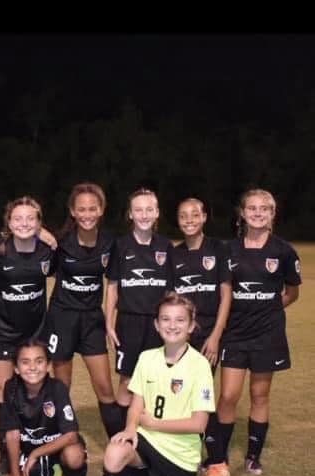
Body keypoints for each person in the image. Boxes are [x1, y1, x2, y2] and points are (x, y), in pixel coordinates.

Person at [93, 293, 214, 476]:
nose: (173, 325)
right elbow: (137, 403)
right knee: (115, 452)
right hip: (147, 442)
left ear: (192, 325)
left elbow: (199, 424)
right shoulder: (147, 358)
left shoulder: (200, 365)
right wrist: (130, 428)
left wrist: (155, 423)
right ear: (157, 325)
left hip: (179, 455)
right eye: (166, 319)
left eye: (180, 320)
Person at [202, 189, 301, 476]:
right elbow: (223, 293)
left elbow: (292, 293)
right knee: (229, 395)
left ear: (273, 214)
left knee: (259, 395)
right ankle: (218, 457)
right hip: (234, 334)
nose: (258, 213)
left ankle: (253, 456)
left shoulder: (283, 251)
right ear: (242, 213)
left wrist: (269, 308)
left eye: (264, 209)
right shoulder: (228, 249)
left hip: (267, 335)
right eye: (252, 208)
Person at [40, 183, 124, 441]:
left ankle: (120, 446)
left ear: (101, 210)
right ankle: (61, 448)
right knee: (62, 389)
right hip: (62, 318)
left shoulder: (110, 243)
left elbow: (113, 284)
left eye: (92, 208)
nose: (87, 214)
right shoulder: (60, 242)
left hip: (91, 321)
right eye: (81, 209)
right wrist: (39, 232)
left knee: (105, 388)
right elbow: (21, 234)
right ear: (73, 212)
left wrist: (110, 321)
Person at [106, 188, 174, 426]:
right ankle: (121, 436)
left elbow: (171, 291)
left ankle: (151, 435)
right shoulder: (121, 246)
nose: (144, 214)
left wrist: (171, 324)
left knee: (156, 380)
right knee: (127, 380)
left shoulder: (166, 247)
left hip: (158, 325)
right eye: (138, 210)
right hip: (128, 322)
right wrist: (108, 323)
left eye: (149, 209)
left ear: (157, 213)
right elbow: (113, 287)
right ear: (130, 215)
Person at [0, 339, 88, 476]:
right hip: (29, 449)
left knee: (74, 455)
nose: (32, 367)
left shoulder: (57, 388)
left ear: (48, 365)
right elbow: (12, 433)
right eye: (25, 362)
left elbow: (71, 435)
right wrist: (15, 475)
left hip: (58, 445)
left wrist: (36, 453)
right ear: (16, 368)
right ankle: (51, 471)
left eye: (39, 361)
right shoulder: (11, 388)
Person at [0, 196, 55, 400]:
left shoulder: (48, 250)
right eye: (18, 219)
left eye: (30, 219)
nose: (24, 223)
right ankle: (3, 432)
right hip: (2, 331)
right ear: (9, 222)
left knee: (34, 387)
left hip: (35, 332)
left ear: (39, 222)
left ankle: (34, 431)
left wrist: (43, 234)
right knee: (3, 389)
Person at [172, 197, 232, 369]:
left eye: (195, 215)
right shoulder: (174, 254)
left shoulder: (219, 249)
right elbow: (171, 297)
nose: (189, 220)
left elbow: (226, 294)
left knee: (202, 390)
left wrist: (216, 336)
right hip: (182, 333)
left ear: (204, 217)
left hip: (209, 334)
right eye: (183, 216)